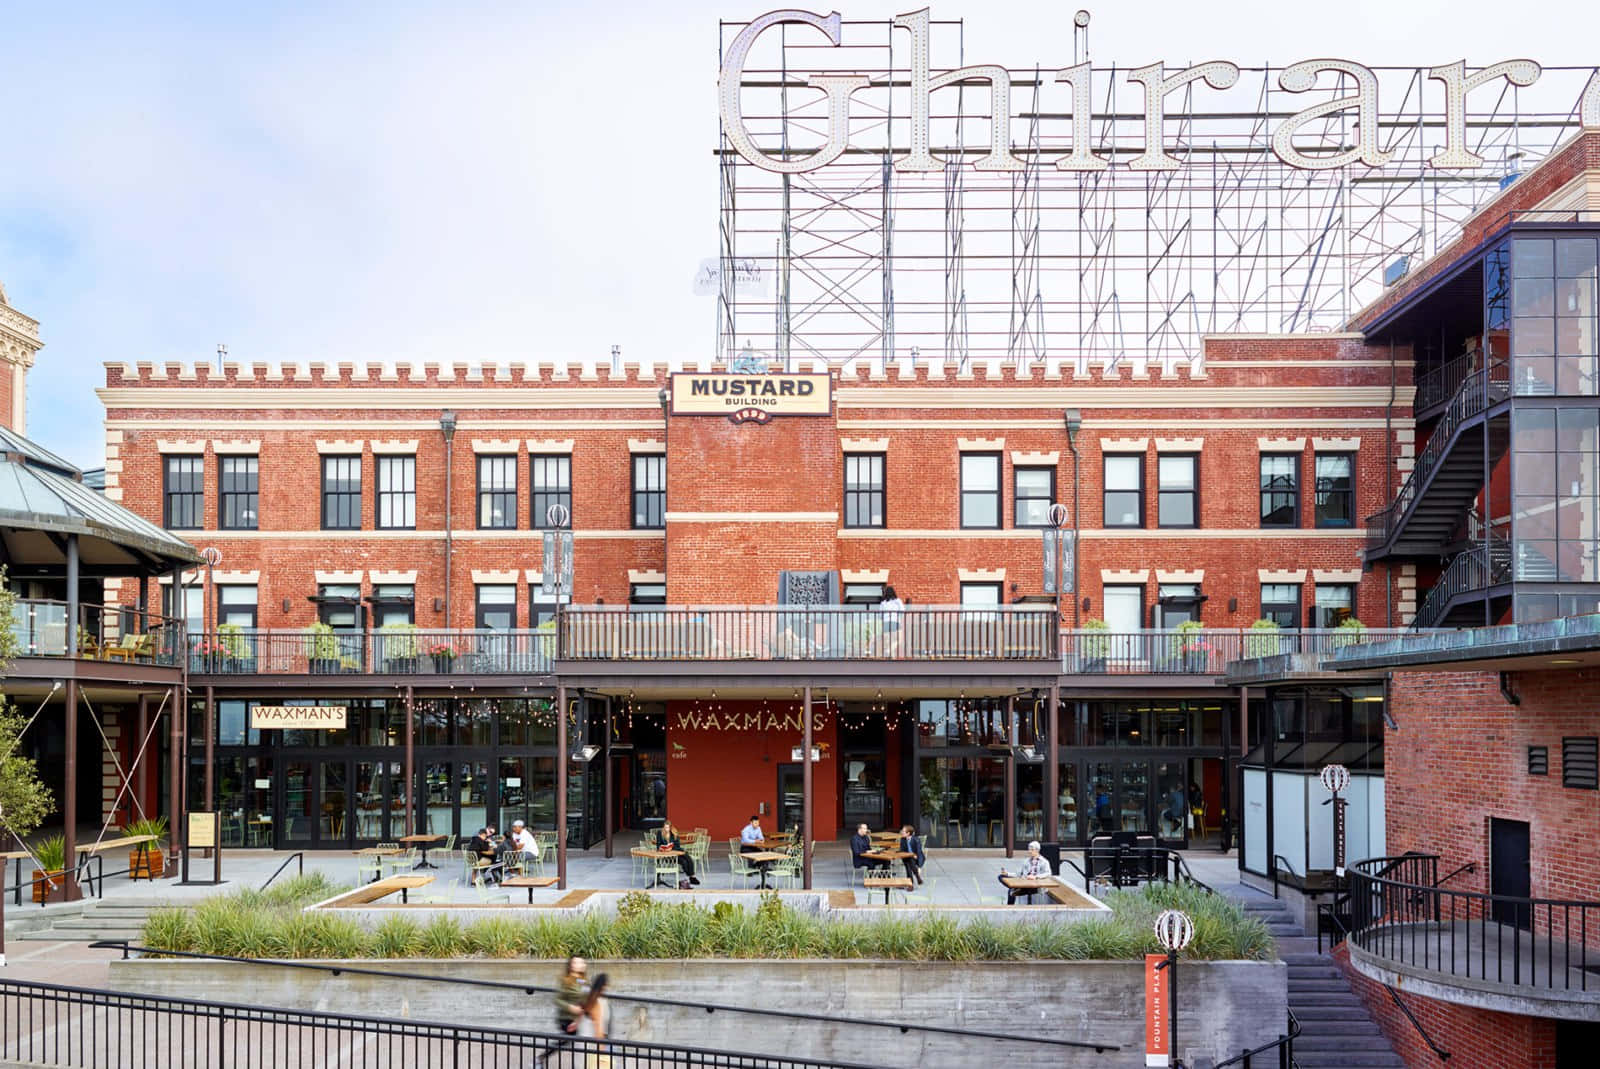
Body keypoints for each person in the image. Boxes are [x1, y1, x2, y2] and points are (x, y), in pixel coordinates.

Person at [539, 956, 587, 1067]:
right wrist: (570, 1007)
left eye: (582, 963)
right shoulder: (566, 981)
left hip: (580, 1019)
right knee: (564, 1041)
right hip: (566, 1018)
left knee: (569, 1042)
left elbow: (586, 999)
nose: (581, 965)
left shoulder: (584, 981)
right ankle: (540, 1058)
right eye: (577, 963)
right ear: (571, 966)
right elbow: (557, 1000)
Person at [997, 840, 1052, 904]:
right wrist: (1007, 873)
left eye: (1031, 850)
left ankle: (1018, 891)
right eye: (1029, 850)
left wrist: (1035, 877)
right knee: (1001, 876)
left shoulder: (1044, 862)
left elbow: (1048, 873)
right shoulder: (1026, 861)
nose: (1029, 851)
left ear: (1037, 850)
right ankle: (1018, 890)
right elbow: (1020, 874)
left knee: (1011, 891)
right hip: (1024, 882)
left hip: (1036, 886)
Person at [653, 820, 699, 885]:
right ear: (663, 827)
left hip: (676, 852)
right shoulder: (660, 833)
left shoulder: (674, 833)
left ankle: (692, 877)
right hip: (667, 856)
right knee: (684, 862)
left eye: (668, 828)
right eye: (665, 827)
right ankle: (691, 877)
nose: (666, 829)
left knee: (688, 858)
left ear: (670, 827)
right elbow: (658, 845)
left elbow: (677, 845)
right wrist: (662, 848)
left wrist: (671, 848)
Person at [877, 585, 904, 653]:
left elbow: (880, 615)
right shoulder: (897, 601)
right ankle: (889, 651)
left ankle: (889, 653)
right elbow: (902, 610)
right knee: (899, 639)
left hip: (886, 623)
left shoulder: (883, 603)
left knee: (888, 642)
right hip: (895, 622)